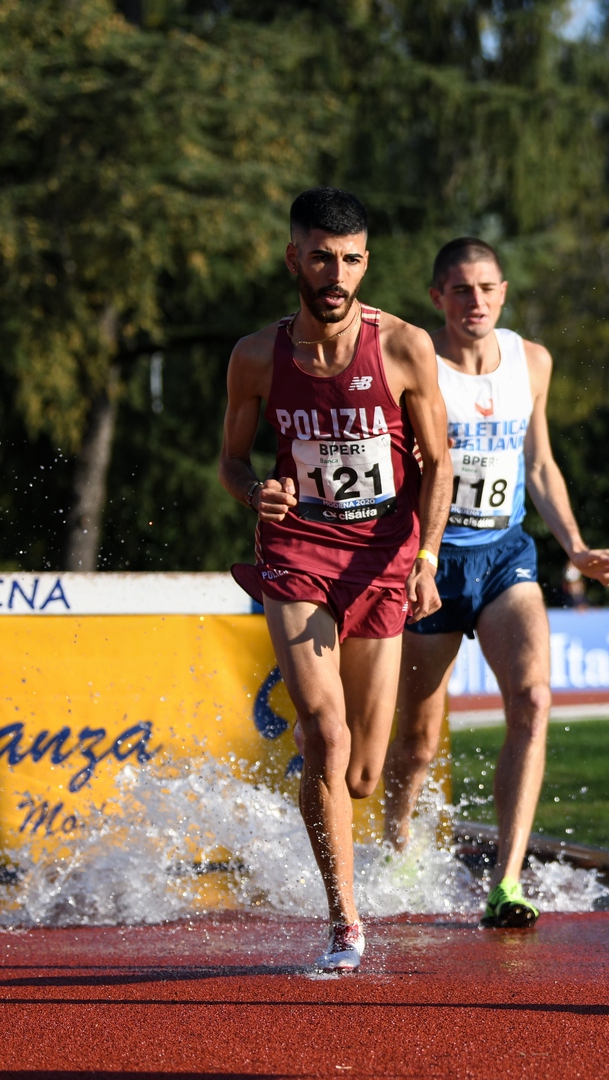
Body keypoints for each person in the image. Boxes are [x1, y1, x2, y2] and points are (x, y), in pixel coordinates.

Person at [219, 188, 451, 972]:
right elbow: (230, 461)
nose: (336, 274)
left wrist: (426, 559)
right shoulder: (257, 356)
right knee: (324, 729)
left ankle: (328, 814)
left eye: (351, 259)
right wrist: (255, 492)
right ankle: (344, 921)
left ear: (366, 263)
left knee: (360, 774)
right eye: (321, 257)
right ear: (295, 259)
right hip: (297, 553)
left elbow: (440, 463)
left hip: (382, 560)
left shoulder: (405, 347)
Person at [381, 238, 609, 928]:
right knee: (418, 744)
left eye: (487, 288)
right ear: (438, 298)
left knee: (534, 698)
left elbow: (539, 465)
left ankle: (507, 881)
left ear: (504, 292)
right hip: (432, 565)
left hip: (504, 557)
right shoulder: (416, 362)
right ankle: (397, 846)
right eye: (460, 290)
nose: (475, 301)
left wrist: (575, 547)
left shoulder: (531, 361)